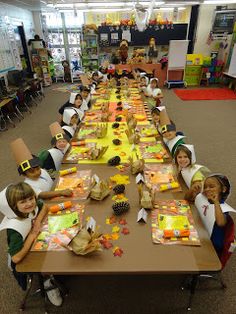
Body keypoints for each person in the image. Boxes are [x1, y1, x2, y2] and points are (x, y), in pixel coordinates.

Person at [0, 182, 63, 306]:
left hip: (33, 241)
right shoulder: (14, 230)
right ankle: (47, 283)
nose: (29, 203)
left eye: (31, 198)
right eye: (23, 202)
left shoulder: (32, 207)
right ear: (14, 206)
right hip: (22, 255)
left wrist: (38, 222)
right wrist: (32, 236)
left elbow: (44, 206)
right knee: (46, 264)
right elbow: (16, 258)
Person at [194, 174, 236, 259]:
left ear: (223, 189)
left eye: (211, 187)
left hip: (213, 244)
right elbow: (187, 198)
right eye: (205, 187)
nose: (207, 189)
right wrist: (193, 189)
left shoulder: (223, 208)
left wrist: (216, 202)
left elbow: (220, 223)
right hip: (203, 233)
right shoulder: (205, 200)